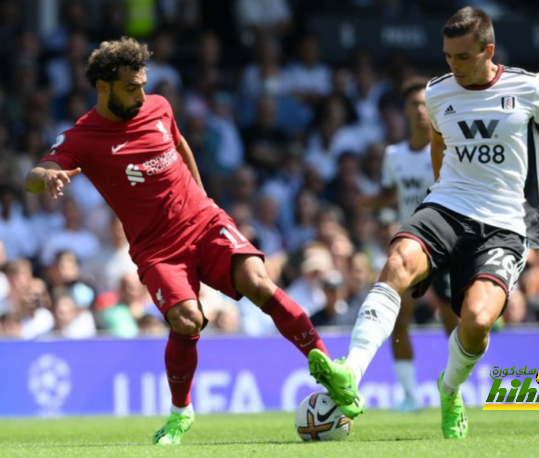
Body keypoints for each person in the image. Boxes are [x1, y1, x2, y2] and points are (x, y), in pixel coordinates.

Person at [308, 6, 539, 439]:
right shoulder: (438, 92)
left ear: (489, 50)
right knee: (396, 264)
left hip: (505, 222)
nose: (453, 66)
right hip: (449, 205)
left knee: (478, 321)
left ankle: (449, 389)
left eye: (463, 57)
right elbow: (439, 144)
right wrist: (437, 192)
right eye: (447, 56)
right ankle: (350, 374)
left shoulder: (527, 87)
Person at [24, 37, 329, 446]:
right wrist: (47, 176)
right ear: (103, 87)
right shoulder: (81, 136)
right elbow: (34, 174)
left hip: (202, 221)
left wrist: (204, 199)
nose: (140, 94)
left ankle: (329, 368)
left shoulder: (159, 107)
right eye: (131, 87)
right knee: (186, 320)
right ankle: (181, 412)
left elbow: (180, 145)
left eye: (142, 84)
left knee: (258, 279)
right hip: (156, 248)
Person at [360, 76, 458, 412]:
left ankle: (453, 389)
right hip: (410, 247)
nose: (419, 111)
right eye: (413, 105)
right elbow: (390, 193)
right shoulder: (394, 155)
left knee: (452, 321)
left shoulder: (449, 151)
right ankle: (408, 396)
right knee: (397, 320)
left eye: (424, 105)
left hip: (445, 245)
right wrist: (365, 202)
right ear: (404, 111)